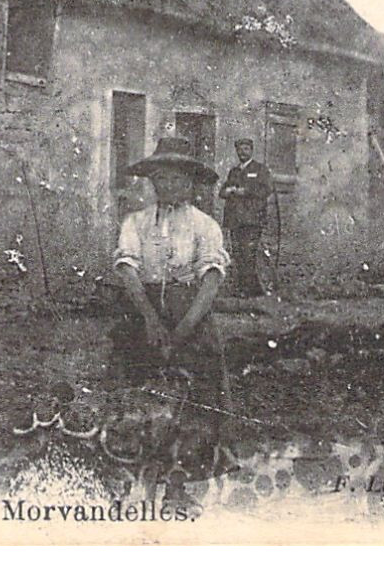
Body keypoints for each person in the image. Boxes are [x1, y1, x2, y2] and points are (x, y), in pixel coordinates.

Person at [110, 135, 232, 507]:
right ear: (152, 182)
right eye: (161, 179)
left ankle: (178, 487)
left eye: (178, 179)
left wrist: (183, 330)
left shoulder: (205, 225)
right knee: (136, 395)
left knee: (194, 399)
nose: (169, 186)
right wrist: (149, 319)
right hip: (142, 310)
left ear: (192, 183)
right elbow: (127, 268)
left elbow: (211, 278)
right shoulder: (136, 222)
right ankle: (132, 484)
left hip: (190, 312)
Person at [219, 138, 274, 297]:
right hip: (235, 220)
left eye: (246, 149)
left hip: (252, 219)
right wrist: (229, 191)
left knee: (249, 254)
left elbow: (267, 189)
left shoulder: (260, 169)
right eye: (240, 149)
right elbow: (222, 192)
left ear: (251, 150)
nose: (242, 152)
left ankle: (249, 290)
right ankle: (244, 288)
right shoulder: (234, 171)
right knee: (238, 254)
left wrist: (246, 191)